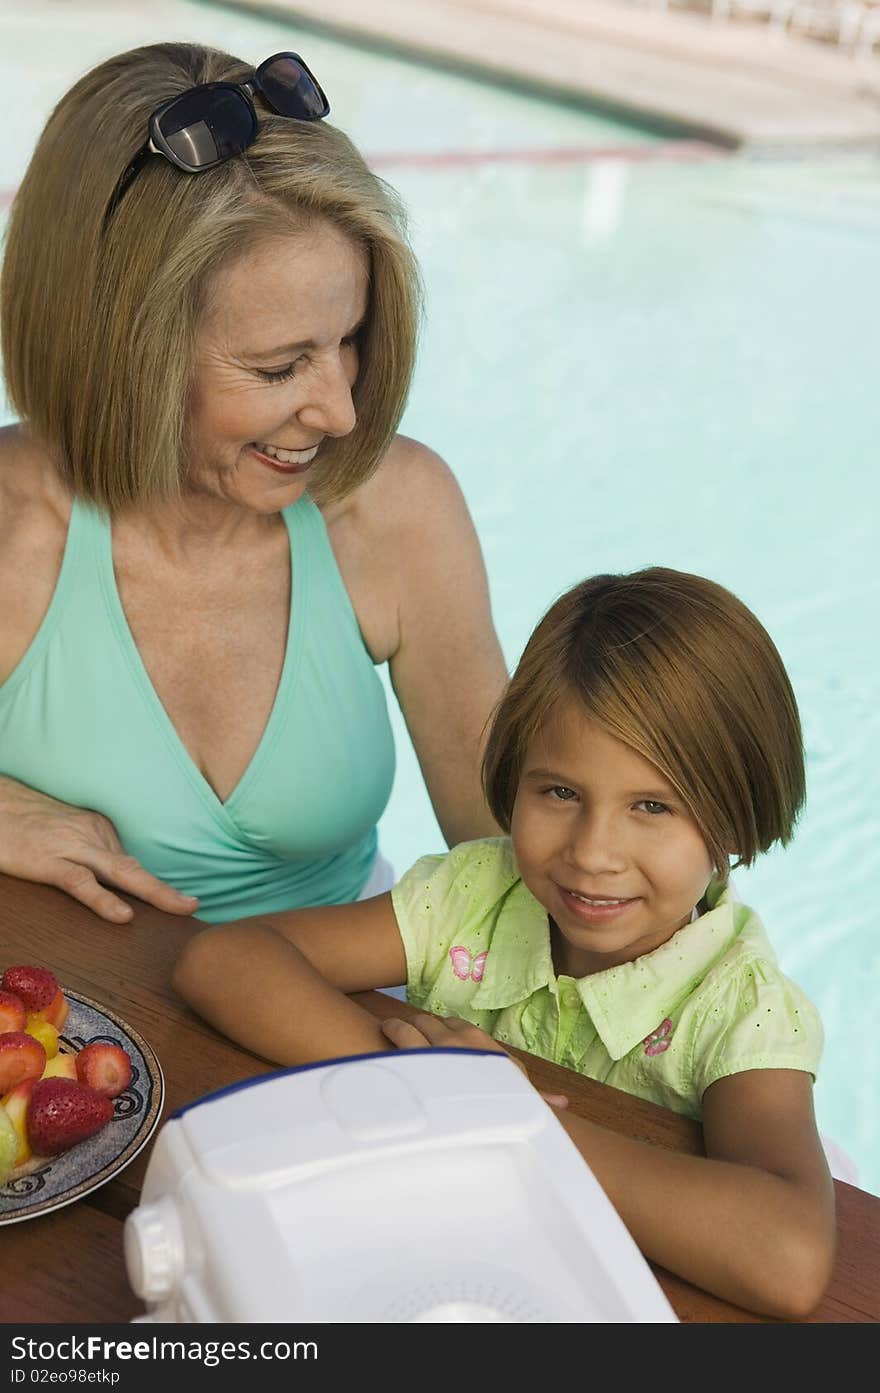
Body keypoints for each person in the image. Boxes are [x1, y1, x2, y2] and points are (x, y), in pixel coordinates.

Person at [173, 567, 836, 1319]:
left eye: (652, 806)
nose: (593, 851)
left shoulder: (740, 1004)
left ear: (735, 825)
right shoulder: (475, 899)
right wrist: (435, 1087)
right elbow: (222, 961)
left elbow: (788, 1255)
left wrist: (519, 1119)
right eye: (559, 792)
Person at [0, 44, 507, 925]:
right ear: (125, 357)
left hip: (344, 1028)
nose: (342, 413)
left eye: (349, 338)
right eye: (280, 367)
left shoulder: (397, 509)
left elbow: (511, 858)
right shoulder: (12, 525)